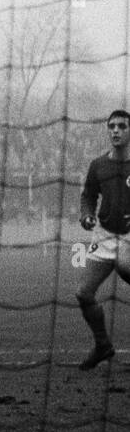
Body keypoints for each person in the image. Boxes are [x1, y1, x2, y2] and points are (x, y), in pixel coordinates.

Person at [74, 109, 130, 369]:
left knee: (124, 265)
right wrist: (86, 215)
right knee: (84, 294)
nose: (116, 130)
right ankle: (103, 346)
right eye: (112, 126)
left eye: (122, 126)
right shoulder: (99, 165)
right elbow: (88, 196)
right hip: (105, 235)